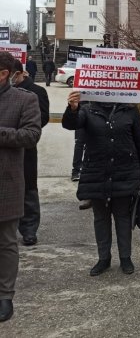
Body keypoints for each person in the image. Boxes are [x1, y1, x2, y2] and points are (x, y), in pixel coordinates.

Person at [62, 91, 140, 276]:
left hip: (124, 172)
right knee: (100, 218)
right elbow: (71, 124)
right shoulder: (87, 110)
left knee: (123, 217)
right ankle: (104, 258)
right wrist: (72, 109)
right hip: (97, 172)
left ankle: (126, 258)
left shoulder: (129, 111)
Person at [0, 51, 42, 322]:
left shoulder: (26, 99)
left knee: (5, 243)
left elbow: (31, 135)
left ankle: (5, 296)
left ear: (4, 73)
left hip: (6, 182)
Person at [11, 60, 49, 246]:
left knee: (28, 190)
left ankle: (29, 229)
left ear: (20, 73)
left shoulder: (36, 92)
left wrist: (20, 128)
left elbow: (42, 119)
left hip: (25, 148)